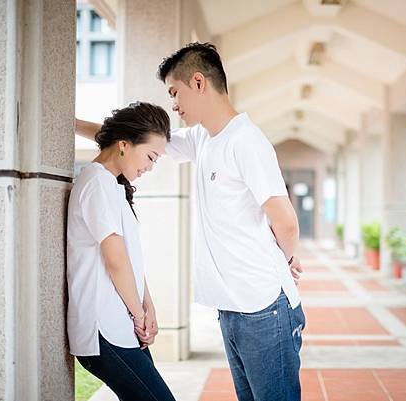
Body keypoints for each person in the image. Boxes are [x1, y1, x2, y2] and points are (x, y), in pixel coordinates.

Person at [76, 42, 305, 401]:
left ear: (198, 82)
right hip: (233, 308)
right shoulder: (203, 139)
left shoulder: (246, 141)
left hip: (264, 309)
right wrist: (71, 124)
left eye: (174, 92)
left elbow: (286, 222)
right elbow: (131, 137)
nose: (173, 104)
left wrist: (285, 260)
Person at [67, 101, 176, 401]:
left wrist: (147, 305)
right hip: (102, 328)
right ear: (125, 145)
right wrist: (140, 314)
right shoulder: (96, 183)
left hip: (119, 322)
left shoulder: (111, 185)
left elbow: (128, 258)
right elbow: (115, 260)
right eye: (150, 157)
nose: (151, 167)